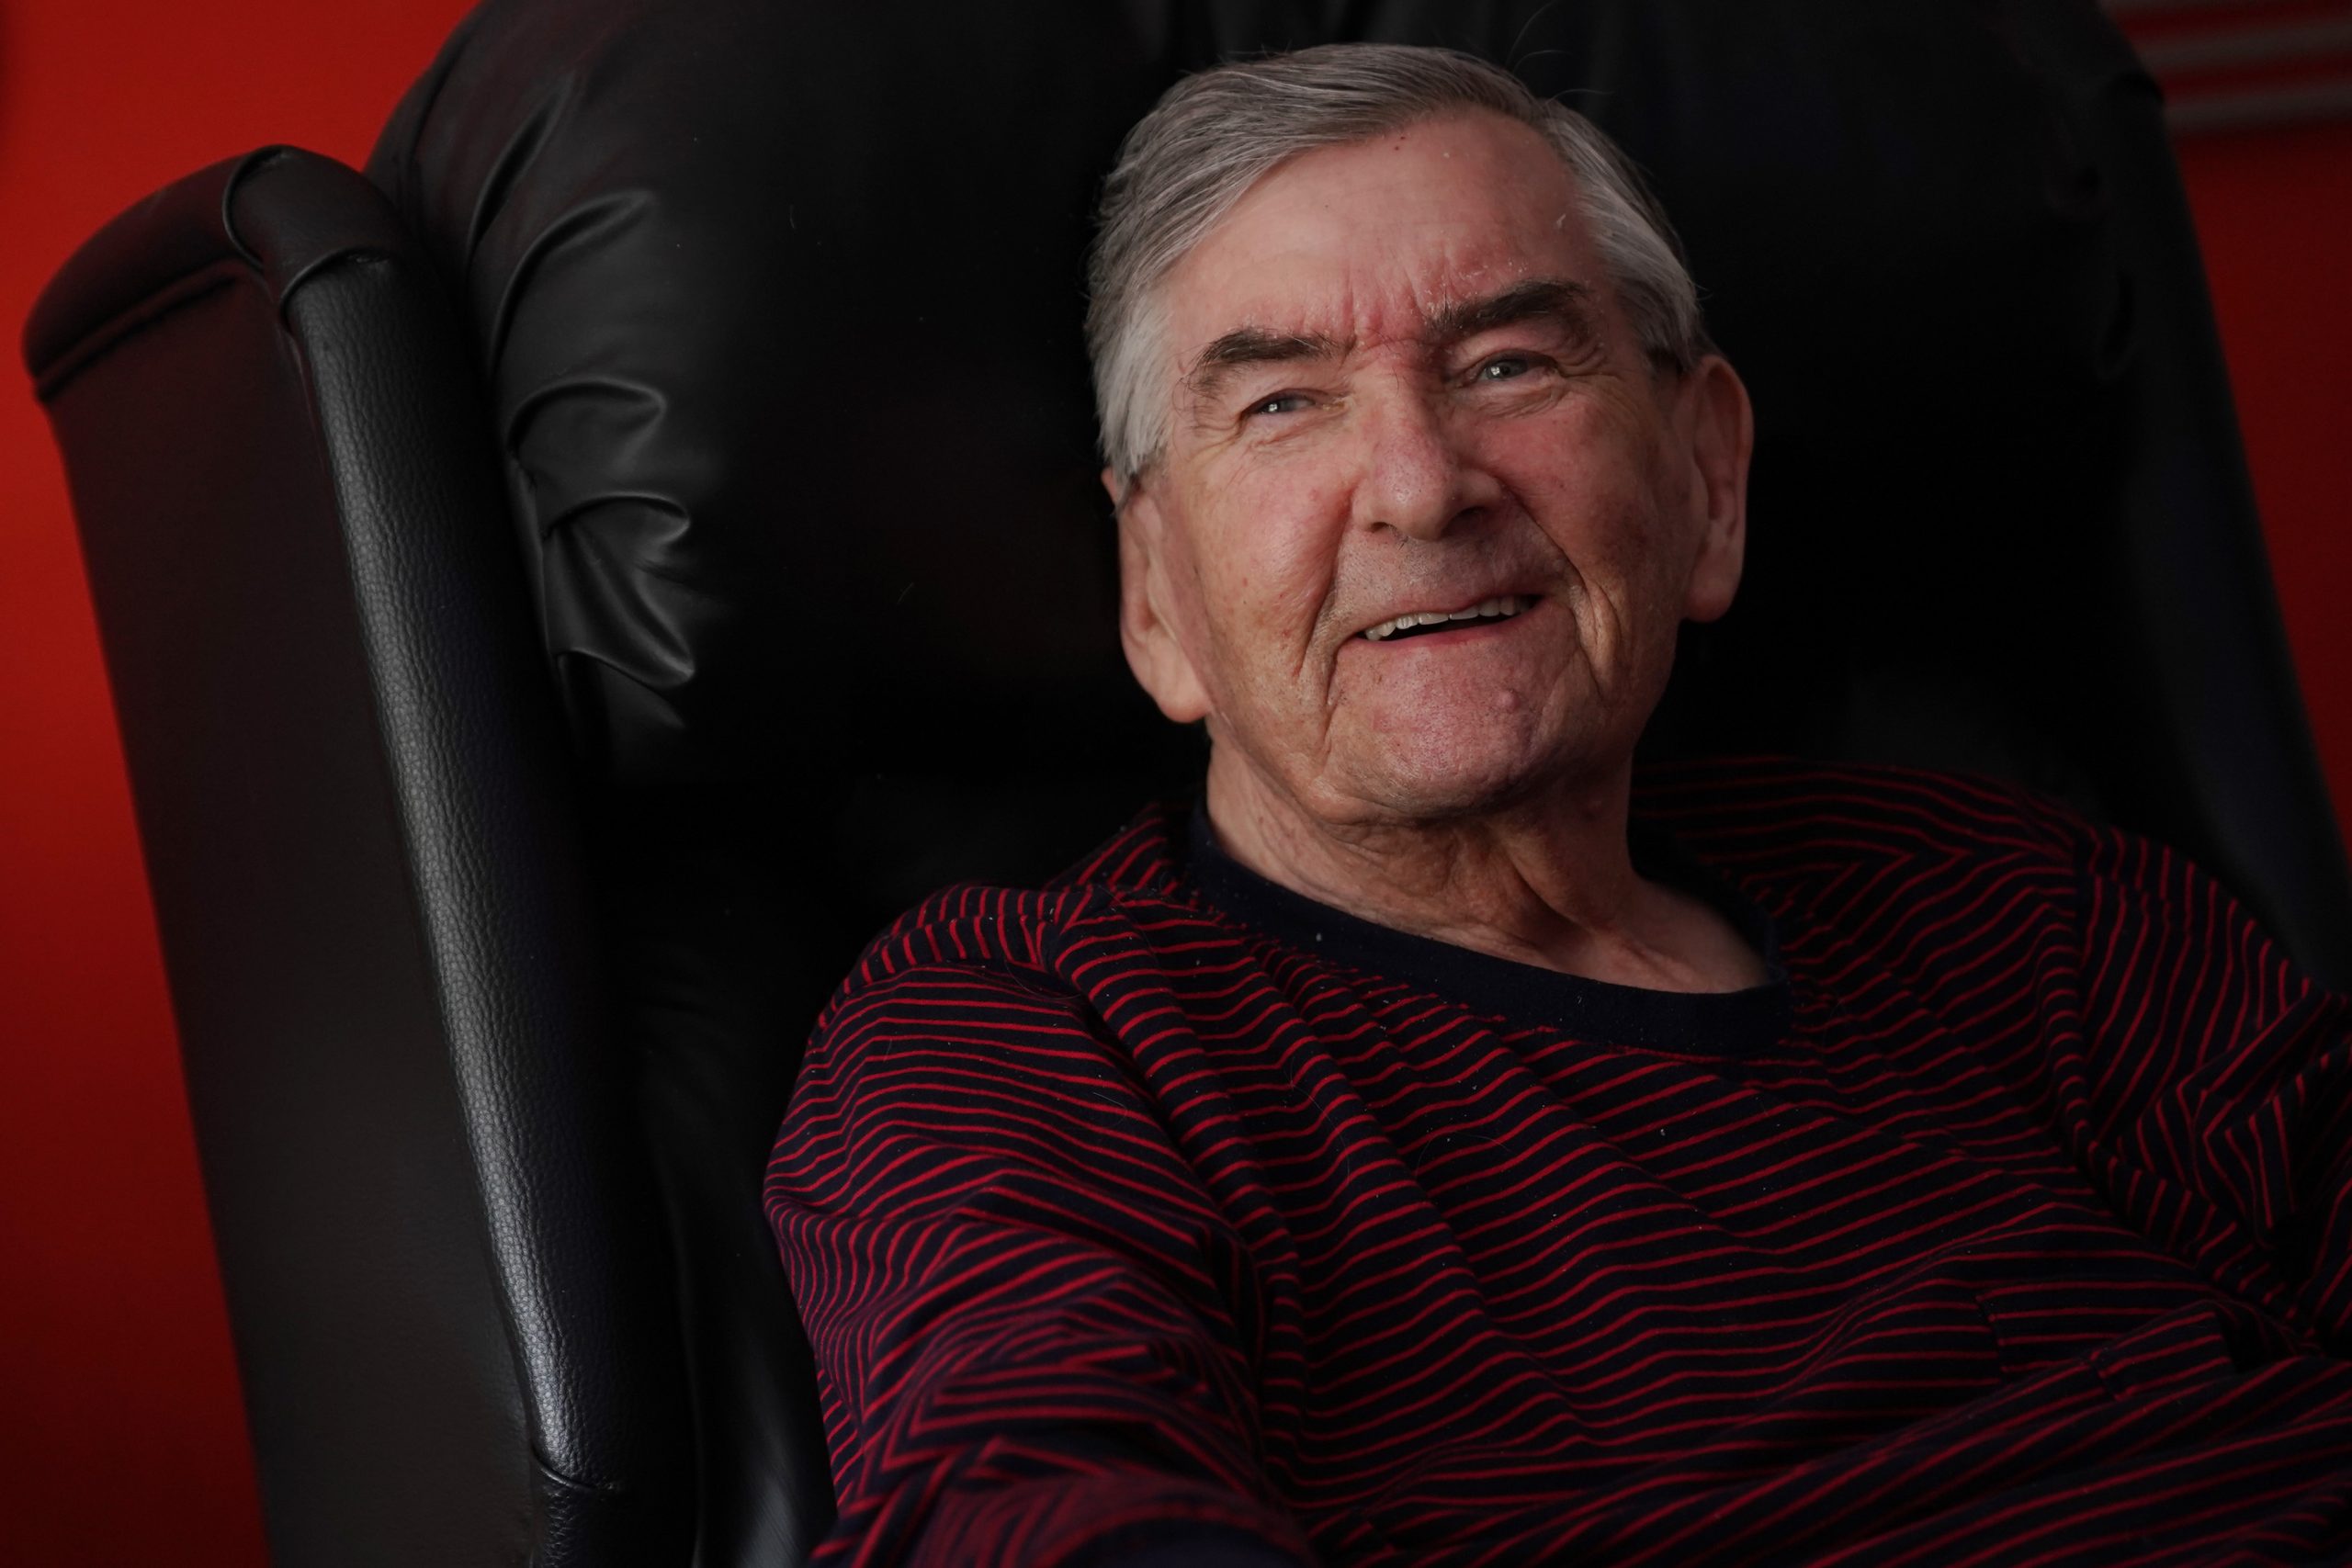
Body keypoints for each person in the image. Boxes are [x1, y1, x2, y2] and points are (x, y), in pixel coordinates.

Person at [766, 43, 2352, 1567]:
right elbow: (1033, 1506)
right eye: (1281, 406)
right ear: (1156, 596)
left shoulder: (2022, 903)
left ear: (1706, 481)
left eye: (1506, 363)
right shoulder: (1027, 1030)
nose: (1420, 483)